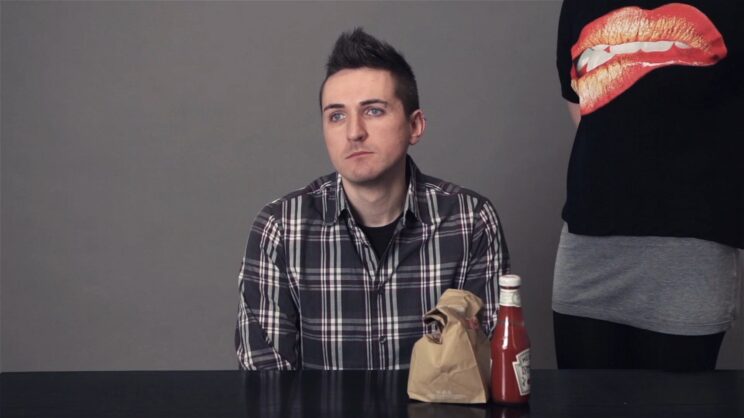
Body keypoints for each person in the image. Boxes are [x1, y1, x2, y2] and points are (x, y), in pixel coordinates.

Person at [236, 28, 510, 370]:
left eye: (374, 111)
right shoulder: (279, 228)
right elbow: (267, 384)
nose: (354, 132)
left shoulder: (470, 221)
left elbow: (487, 367)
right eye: (336, 115)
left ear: (415, 126)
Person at [553, 0, 743, 370]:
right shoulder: (578, 4)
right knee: (586, 403)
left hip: (691, 248)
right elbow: (583, 106)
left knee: (675, 405)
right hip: (589, 246)